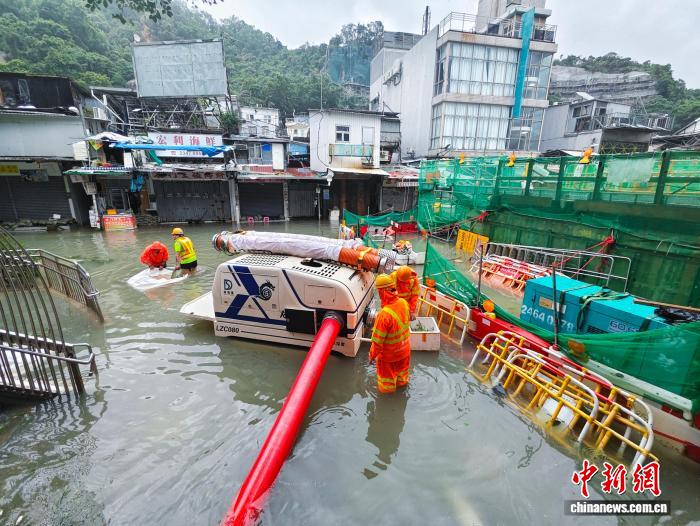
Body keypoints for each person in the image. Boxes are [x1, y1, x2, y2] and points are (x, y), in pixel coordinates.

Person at [369, 274, 411, 394]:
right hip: (405, 352)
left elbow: (377, 343)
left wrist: (371, 356)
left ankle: (388, 402)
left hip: (389, 358)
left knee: (387, 386)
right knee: (402, 380)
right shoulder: (403, 302)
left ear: (382, 292)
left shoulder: (384, 315)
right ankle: (401, 396)